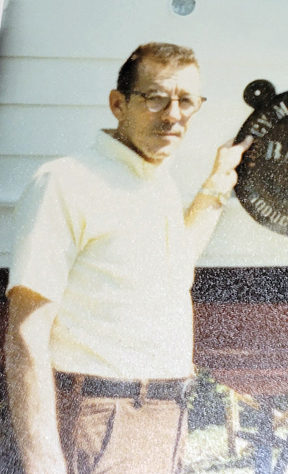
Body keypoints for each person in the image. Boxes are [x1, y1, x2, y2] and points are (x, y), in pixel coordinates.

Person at [4, 42, 253, 473]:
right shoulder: (64, 183)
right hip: (98, 415)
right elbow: (26, 333)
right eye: (155, 97)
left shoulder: (156, 182)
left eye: (186, 101)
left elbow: (173, 267)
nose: (173, 115)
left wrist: (217, 184)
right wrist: (42, 458)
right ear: (118, 104)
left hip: (164, 415)